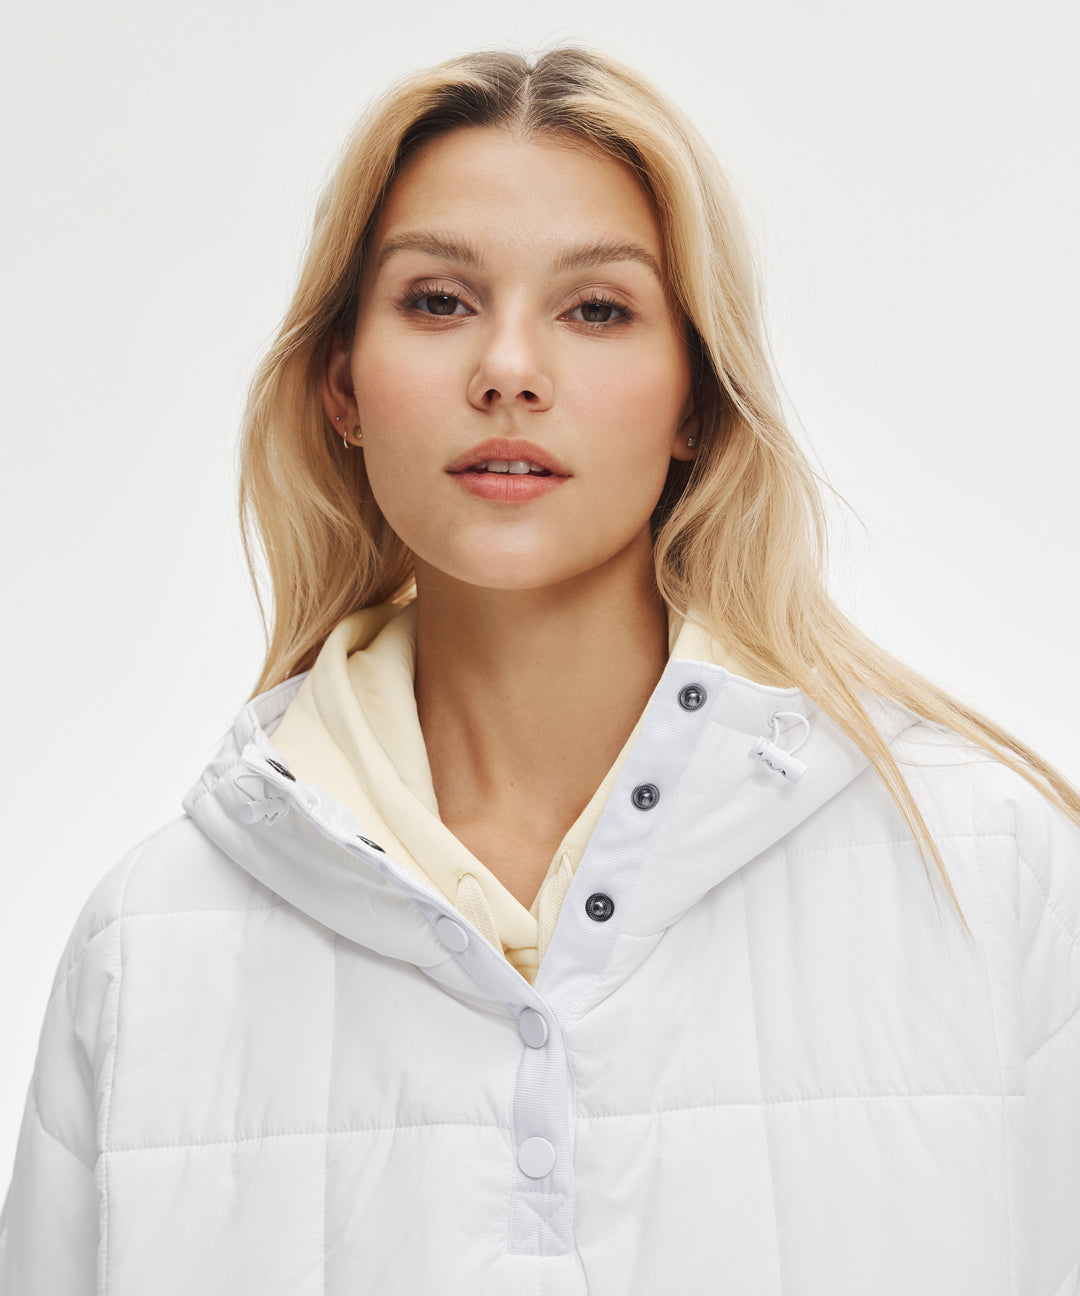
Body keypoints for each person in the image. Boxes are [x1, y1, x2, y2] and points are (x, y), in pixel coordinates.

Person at [1, 43, 1078, 1296]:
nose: (508, 369)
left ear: (695, 401)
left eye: (597, 309)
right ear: (343, 386)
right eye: (438, 301)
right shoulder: (148, 945)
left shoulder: (991, 873)